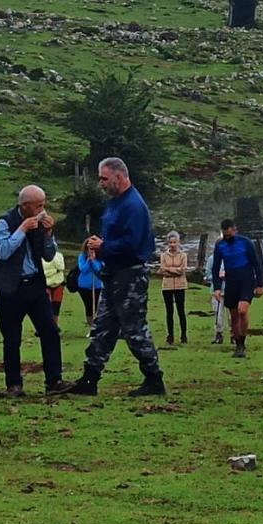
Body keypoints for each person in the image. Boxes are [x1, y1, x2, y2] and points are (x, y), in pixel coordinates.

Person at [69, 158, 166, 397]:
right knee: (102, 327)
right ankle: (89, 379)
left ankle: (154, 379)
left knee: (133, 329)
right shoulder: (115, 203)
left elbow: (133, 245)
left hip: (130, 275)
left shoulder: (134, 206)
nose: (100, 183)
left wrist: (104, 246)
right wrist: (99, 245)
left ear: (119, 177)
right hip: (112, 273)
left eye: (104, 178)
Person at [0, 185, 72, 397]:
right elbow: (3, 251)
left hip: (35, 284)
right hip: (11, 288)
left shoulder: (39, 223)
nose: (42, 210)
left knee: (50, 331)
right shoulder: (5, 222)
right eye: (38, 206)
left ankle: (54, 381)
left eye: (43, 205)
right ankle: (14, 385)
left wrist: (48, 233)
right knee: (12, 338)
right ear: (25, 206)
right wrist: (23, 229)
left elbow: (48, 255)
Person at [211, 218, 263, 358]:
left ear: (235, 230)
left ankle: (242, 340)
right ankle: (238, 345)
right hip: (231, 282)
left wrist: (260, 284)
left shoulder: (246, 243)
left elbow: (256, 263)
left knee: (242, 311)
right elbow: (215, 267)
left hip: (247, 280)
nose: (228, 237)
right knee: (234, 315)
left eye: (230, 234)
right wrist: (217, 288)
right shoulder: (220, 246)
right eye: (225, 235)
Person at [159, 231, 189, 344]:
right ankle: (170, 335)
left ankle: (183, 335)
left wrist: (169, 269)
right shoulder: (163, 256)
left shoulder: (183, 255)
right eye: (170, 242)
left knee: (181, 310)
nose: (172, 244)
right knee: (169, 311)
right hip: (167, 286)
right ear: (168, 243)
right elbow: (162, 270)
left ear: (178, 242)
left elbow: (183, 270)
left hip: (180, 285)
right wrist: (175, 270)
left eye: (174, 242)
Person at [76, 238, 104, 332]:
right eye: (89, 247)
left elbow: (99, 270)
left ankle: (98, 327)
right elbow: (83, 270)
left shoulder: (101, 258)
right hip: (84, 286)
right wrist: (88, 261)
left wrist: (93, 261)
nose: (91, 250)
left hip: (97, 285)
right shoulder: (82, 257)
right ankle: (92, 327)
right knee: (89, 306)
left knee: (97, 307)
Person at [43, 248, 66, 325]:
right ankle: (45, 325)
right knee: (46, 306)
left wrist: (54, 258)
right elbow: (43, 272)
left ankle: (55, 326)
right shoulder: (41, 256)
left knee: (56, 307)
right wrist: (54, 271)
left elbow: (61, 267)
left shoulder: (59, 256)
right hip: (46, 284)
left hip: (58, 283)